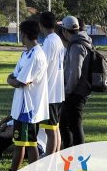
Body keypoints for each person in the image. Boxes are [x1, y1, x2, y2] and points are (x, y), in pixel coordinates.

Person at [7, 20, 49, 171]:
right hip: (20, 107)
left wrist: (12, 80)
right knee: (19, 143)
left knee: (30, 144)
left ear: (24, 34)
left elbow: (19, 81)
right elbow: (14, 76)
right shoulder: (25, 54)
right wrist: (13, 79)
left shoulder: (36, 56)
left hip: (28, 108)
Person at [58, 16, 92, 148]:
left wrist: (66, 92)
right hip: (77, 91)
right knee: (65, 125)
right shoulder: (80, 42)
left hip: (76, 92)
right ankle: (69, 156)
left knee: (75, 126)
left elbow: (75, 73)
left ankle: (79, 159)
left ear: (65, 31)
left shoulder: (77, 45)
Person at [39, 12, 65, 156]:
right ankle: (56, 157)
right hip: (57, 91)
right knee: (55, 128)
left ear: (41, 25)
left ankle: (49, 159)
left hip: (50, 92)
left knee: (51, 131)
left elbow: (42, 65)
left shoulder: (49, 41)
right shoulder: (58, 39)